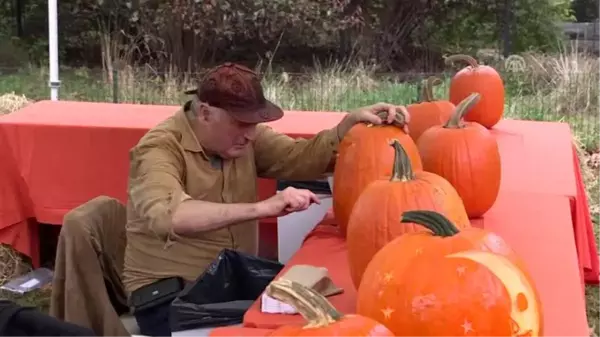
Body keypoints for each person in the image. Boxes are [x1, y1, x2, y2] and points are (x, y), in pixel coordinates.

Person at [122, 62, 410, 337]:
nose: (250, 135)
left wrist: (345, 129)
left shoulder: (244, 138)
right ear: (205, 113)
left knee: (325, 304)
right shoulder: (158, 148)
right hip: (172, 298)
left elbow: (297, 157)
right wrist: (263, 208)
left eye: (254, 124)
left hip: (230, 280)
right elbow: (171, 216)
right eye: (240, 123)